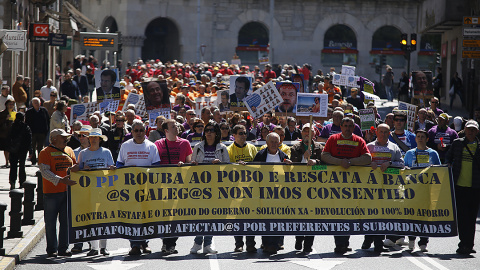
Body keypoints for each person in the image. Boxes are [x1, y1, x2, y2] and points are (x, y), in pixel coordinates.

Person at [321, 117, 372, 254]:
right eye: (345, 125)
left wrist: (350, 162)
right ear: (341, 126)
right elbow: (324, 155)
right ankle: (339, 244)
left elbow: (367, 158)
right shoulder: (333, 139)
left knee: (349, 214)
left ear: (354, 127)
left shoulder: (359, 140)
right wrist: (339, 162)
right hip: (335, 184)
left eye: (350, 126)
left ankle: (345, 242)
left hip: (353, 186)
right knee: (338, 214)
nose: (348, 128)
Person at [116, 120, 160, 256]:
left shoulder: (152, 146)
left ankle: (144, 243)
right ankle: (134, 244)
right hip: (129, 188)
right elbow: (119, 165)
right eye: (136, 130)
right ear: (132, 132)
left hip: (147, 188)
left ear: (145, 132)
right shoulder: (125, 146)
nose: (139, 133)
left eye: (142, 130)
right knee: (132, 216)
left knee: (146, 216)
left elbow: (157, 166)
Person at [363, 123, 404, 253]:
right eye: (381, 132)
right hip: (371, 188)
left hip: (388, 189)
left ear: (389, 134)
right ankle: (368, 238)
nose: (383, 134)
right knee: (370, 215)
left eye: (386, 132)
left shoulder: (394, 147)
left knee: (382, 216)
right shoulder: (369, 146)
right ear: (376, 132)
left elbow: (402, 164)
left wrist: (390, 163)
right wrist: (369, 163)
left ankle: (378, 242)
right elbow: (359, 162)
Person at [190, 122, 229, 254]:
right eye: (207, 130)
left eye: (212, 130)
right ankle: (197, 242)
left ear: (217, 133)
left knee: (211, 216)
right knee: (200, 215)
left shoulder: (223, 148)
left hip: (216, 188)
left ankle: (208, 243)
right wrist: (194, 165)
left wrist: (221, 164)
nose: (209, 132)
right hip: (200, 187)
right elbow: (192, 166)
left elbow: (228, 169)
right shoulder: (197, 147)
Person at [154, 119, 193, 254]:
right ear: (166, 131)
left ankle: (171, 243)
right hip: (163, 186)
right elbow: (154, 164)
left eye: (176, 125)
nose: (176, 127)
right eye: (173, 126)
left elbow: (190, 163)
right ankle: (166, 243)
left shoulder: (185, 143)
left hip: (180, 186)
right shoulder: (158, 144)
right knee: (165, 216)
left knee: (177, 216)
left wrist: (185, 166)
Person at [74, 128, 114, 256]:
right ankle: (94, 247)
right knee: (91, 219)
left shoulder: (106, 152)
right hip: (89, 191)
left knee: (104, 219)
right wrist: (83, 169)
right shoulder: (83, 153)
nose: (94, 139)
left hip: (103, 191)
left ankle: (103, 247)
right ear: (89, 139)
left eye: (96, 137)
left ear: (100, 139)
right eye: (92, 137)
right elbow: (78, 170)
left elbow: (111, 169)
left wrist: (112, 169)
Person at [38, 129, 77, 257]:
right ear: (54, 139)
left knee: (65, 222)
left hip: (67, 192)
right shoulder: (45, 152)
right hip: (51, 193)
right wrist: (61, 180)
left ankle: (63, 248)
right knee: (50, 222)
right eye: (63, 137)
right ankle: (52, 249)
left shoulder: (70, 150)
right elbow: (45, 172)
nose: (66, 139)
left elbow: (74, 168)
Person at [445, 120, 480, 255]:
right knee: (462, 217)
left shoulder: (479, 146)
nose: (471, 132)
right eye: (469, 129)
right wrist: (448, 164)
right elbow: (448, 157)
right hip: (459, 186)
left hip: (475, 187)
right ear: (465, 130)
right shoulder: (457, 143)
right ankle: (463, 243)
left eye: (473, 130)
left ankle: (469, 245)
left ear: (477, 131)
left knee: (471, 218)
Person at [254, 132, 292, 254]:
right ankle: (266, 243)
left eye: (277, 142)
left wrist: (290, 166)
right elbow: (252, 171)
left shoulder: (284, 156)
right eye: (272, 142)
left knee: (278, 218)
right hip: (263, 194)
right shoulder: (260, 155)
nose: (274, 144)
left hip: (279, 194)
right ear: (266, 142)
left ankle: (275, 244)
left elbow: (290, 175)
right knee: (265, 219)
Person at [404, 129, 441, 252]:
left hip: (427, 191)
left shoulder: (433, 153)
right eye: (418, 136)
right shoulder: (409, 153)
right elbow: (403, 170)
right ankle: (411, 239)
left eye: (422, 137)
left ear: (427, 139)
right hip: (412, 191)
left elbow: (440, 170)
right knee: (412, 216)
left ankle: (424, 242)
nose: (420, 138)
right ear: (415, 139)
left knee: (425, 217)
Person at [290, 123, 323, 253]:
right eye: (305, 131)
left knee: (312, 218)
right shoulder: (295, 148)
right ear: (301, 133)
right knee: (299, 216)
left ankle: (308, 244)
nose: (307, 134)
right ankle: (299, 239)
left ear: (314, 134)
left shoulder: (320, 148)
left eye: (310, 131)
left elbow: (325, 168)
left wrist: (316, 163)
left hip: (315, 189)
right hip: (299, 189)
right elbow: (292, 168)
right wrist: (303, 158)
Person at [227, 124, 258, 253]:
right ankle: (238, 243)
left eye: (245, 133)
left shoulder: (252, 148)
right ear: (233, 135)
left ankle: (251, 243)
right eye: (240, 133)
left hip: (251, 189)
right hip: (235, 189)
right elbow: (226, 169)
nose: (243, 136)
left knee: (251, 217)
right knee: (237, 218)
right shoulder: (228, 149)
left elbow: (259, 166)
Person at [7, 112, 31, 190]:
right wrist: (30, 150)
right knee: (22, 166)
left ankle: (12, 181)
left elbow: (8, 137)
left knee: (13, 166)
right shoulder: (25, 127)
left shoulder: (12, 126)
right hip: (23, 149)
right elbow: (29, 139)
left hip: (13, 149)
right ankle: (22, 182)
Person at [25, 98, 50, 165]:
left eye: (37, 102)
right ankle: (33, 160)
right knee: (32, 147)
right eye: (35, 103)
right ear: (32, 104)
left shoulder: (44, 110)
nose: (36, 104)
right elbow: (27, 123)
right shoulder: (29, 112)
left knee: (40, 147)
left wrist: (46, 130)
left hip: (42, 132)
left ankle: (40, 160)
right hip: (32, 133)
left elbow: (47, 120)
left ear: (40, 103)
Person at [0, 98, 15, 167]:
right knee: (6, 148)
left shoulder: (15, 113)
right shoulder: (2, 113)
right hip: (5, 133)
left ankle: (12, 160)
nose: (11, 106)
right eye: (10, 104)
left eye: (12, 104)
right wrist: (5, 119)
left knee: (12, 147)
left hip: (13, 132)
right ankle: (7, 161)